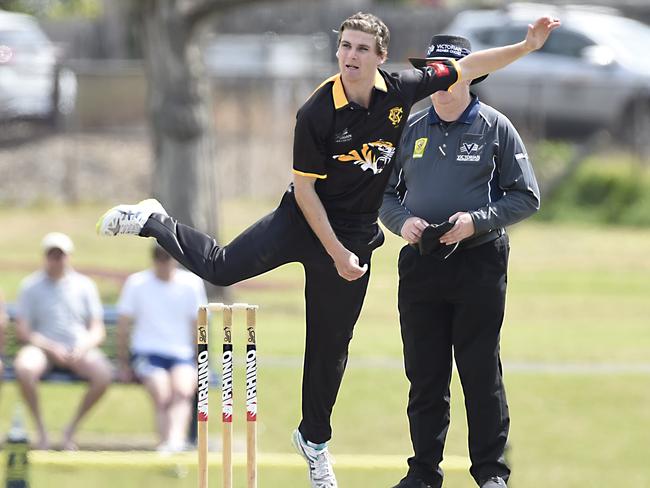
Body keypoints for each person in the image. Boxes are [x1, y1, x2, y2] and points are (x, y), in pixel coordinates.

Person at [96, 12, 559, 487]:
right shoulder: (316, 111)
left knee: (329, 348)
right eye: (344, 47)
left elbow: (471, 65)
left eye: (361, 49)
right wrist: (337, 253)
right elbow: (305, 192)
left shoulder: (401, 90)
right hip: (303, 221)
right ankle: (155, 219)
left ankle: (314, 442)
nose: (350, 57)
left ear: (381, 58)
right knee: (221, 267)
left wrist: (527, 45)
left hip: (357, 233)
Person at [379, 35, 542, 488]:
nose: (441, 81)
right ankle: (424, 473)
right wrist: (403, 222)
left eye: (450, 72)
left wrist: (475, 222)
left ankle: (491, 472)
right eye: (432, 72)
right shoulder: (410, 128)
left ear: (471, 75)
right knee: (425, 374)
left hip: (479, 260)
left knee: (479, 370)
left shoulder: (495, 127)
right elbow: (386, 195)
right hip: (421, 263)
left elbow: (526, 196)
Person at [14, 232, 112, 450]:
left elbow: (98, 329)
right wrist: (50, 347)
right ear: (45, 256)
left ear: (69, 256)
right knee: (24, 368)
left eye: (61, 255)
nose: (57, 260)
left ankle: (70, 430)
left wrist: (83, 346)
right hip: (42, 347)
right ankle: (41, 431)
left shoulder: (85, 285)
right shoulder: (30, 286)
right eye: (52, 255)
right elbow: (24, 330)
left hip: (78, 348)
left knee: (103, 374)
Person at [116, 244, 207, 453]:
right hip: (147, 353)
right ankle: (166, 444)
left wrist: (199, 358)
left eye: (167, 257)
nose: (164, 263)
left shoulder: (191, 284)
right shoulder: (137, 283)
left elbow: (199, 325)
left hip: (181, 355)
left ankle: (173, 443)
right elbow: (123, 326)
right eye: (159, 257)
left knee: (183, 390)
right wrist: (123, 363)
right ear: (153, 260)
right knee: (162, 392)